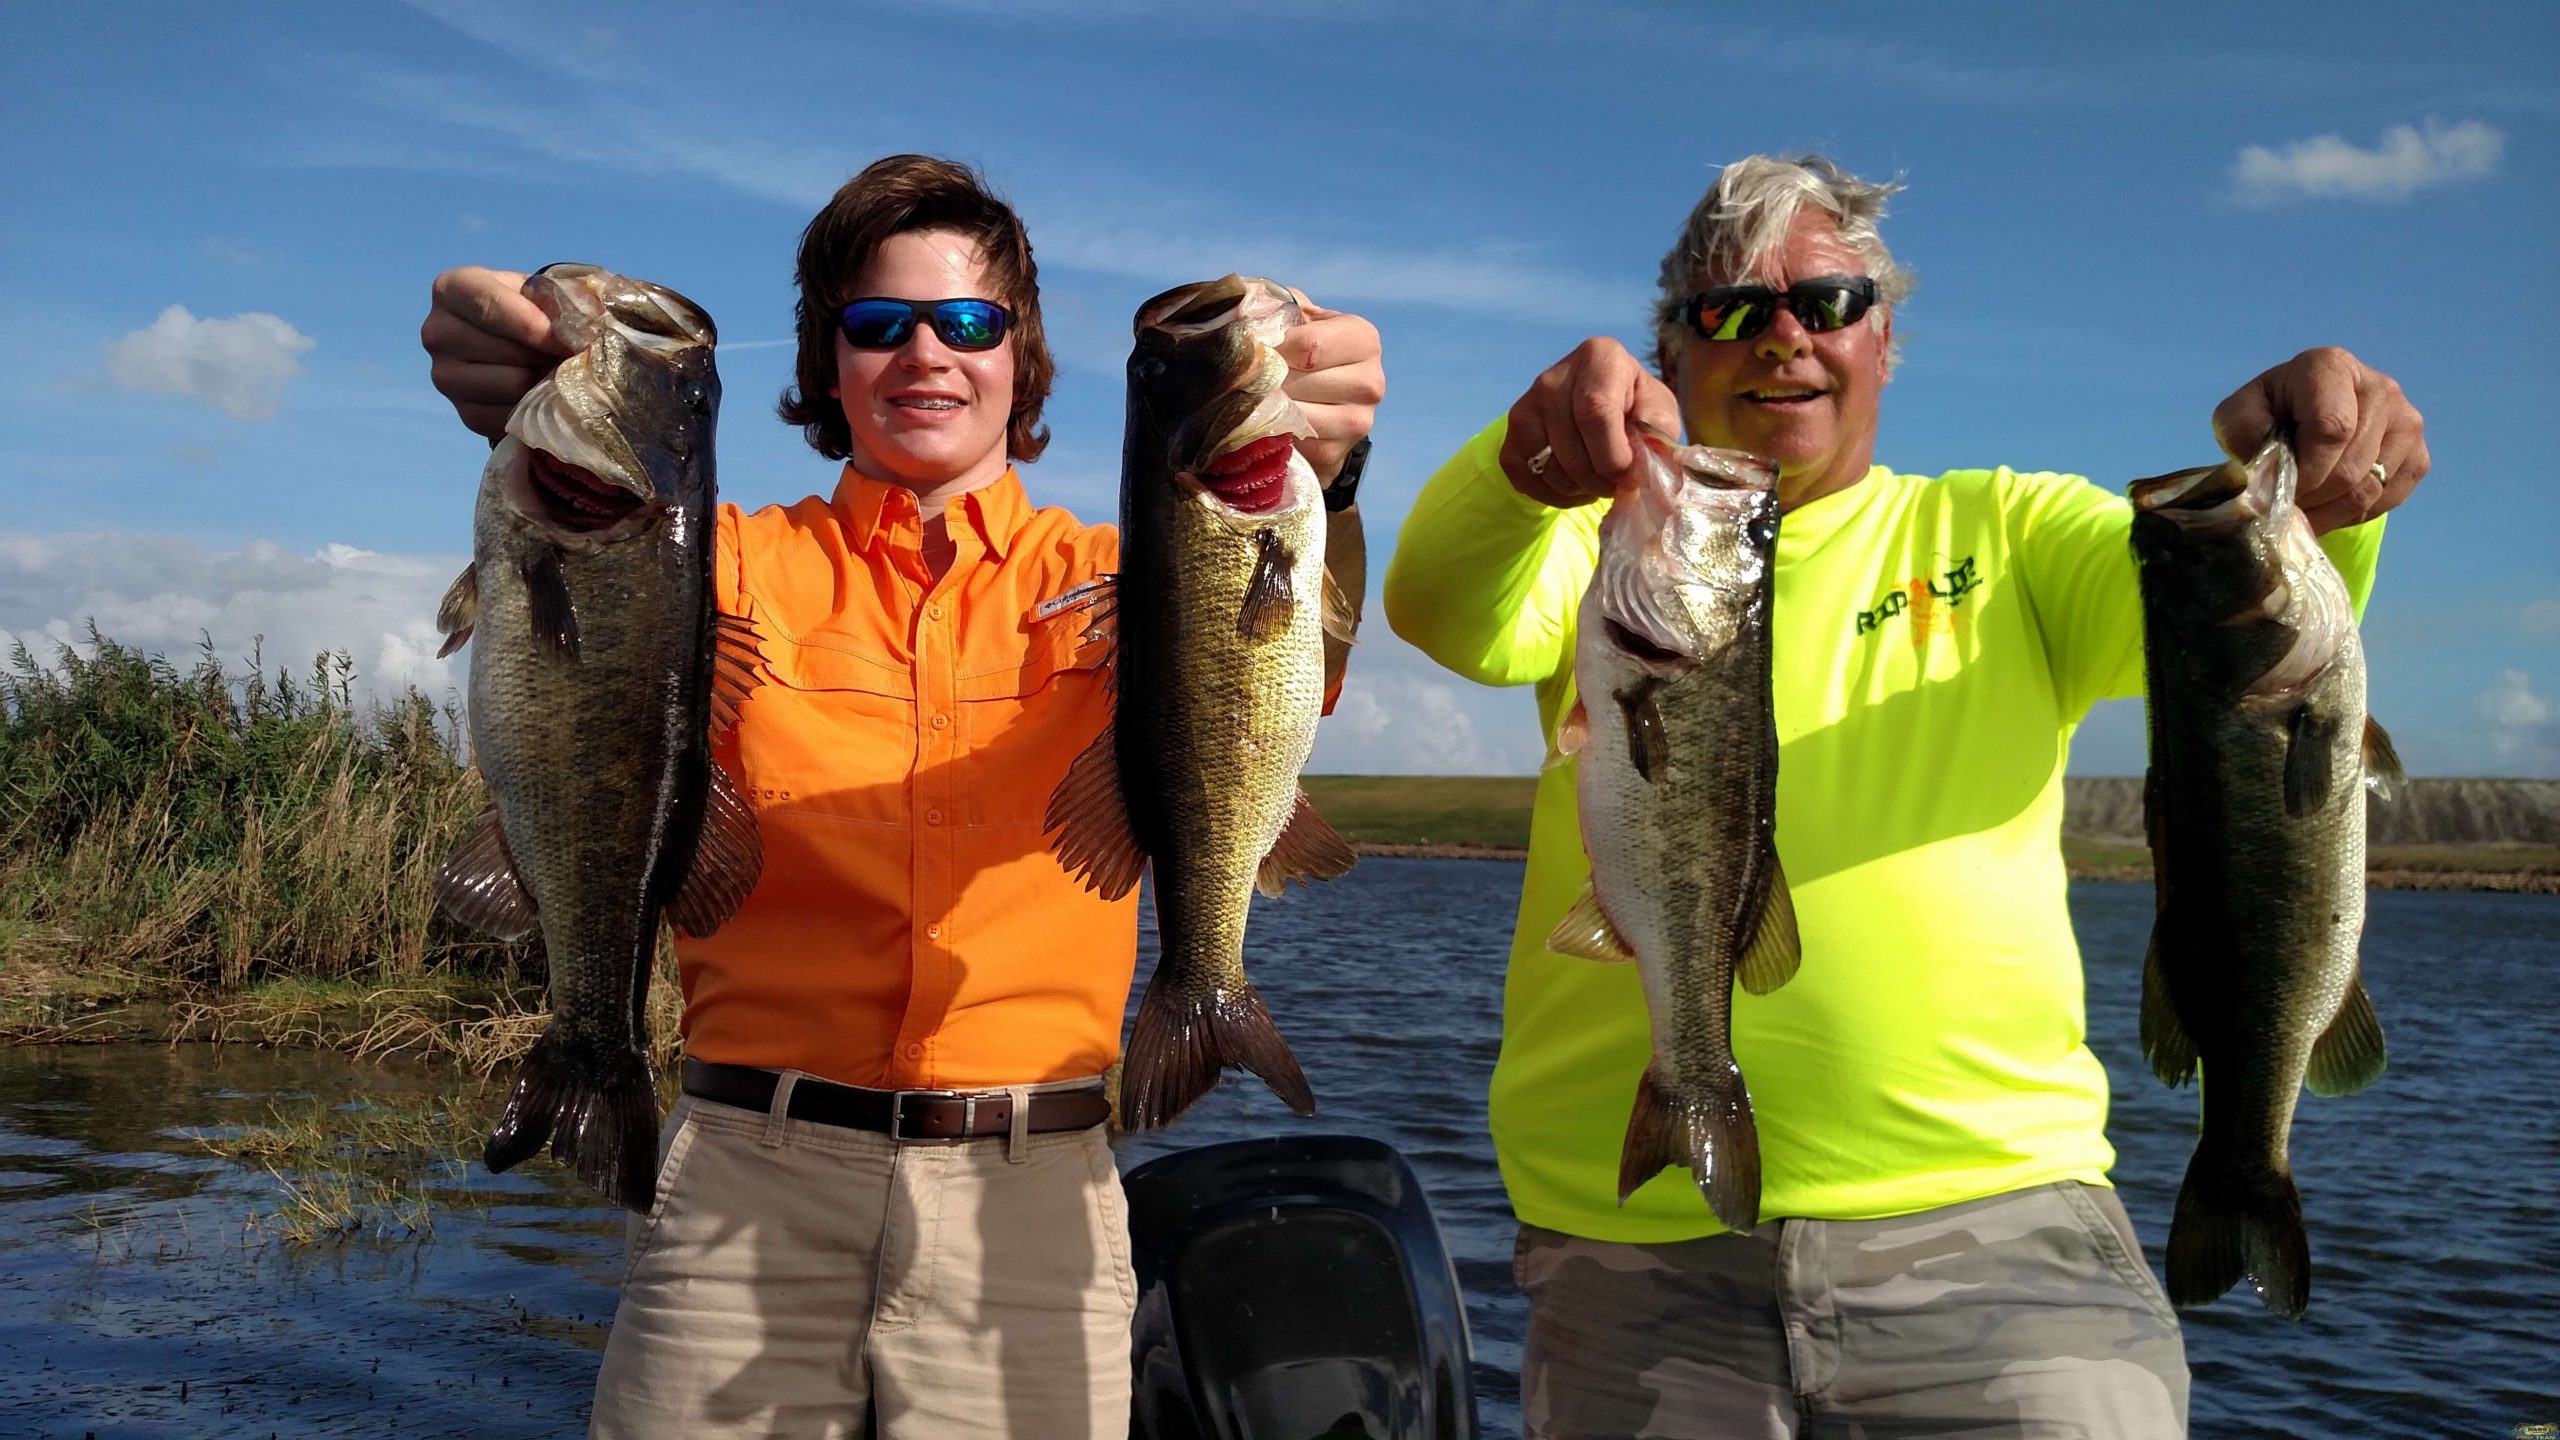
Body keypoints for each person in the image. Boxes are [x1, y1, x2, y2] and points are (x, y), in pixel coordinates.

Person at [1382, 153, 2424, 1438]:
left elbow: (2232, 638)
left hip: (2001, 1229)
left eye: (1827, 302)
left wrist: (2324, 489)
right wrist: (1521, 465)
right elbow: (1440, 605)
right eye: (1728, 310)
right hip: (1638, 1244)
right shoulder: (1611, 552)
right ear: (1670, 348)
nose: (1782, 338)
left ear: (1883, 340)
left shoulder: (2010, 530)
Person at [419, 153, 1384, 1439]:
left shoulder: (1131, 566)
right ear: (828, 365)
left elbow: (1284, 684)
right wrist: (520, 354)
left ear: (1020, 356)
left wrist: (1333, 475)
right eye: (878, 325)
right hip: (743, 1181)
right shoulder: (713, 557)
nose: (924, 353)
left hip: (1030, 1200)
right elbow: (585, 623)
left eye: (967, 322)